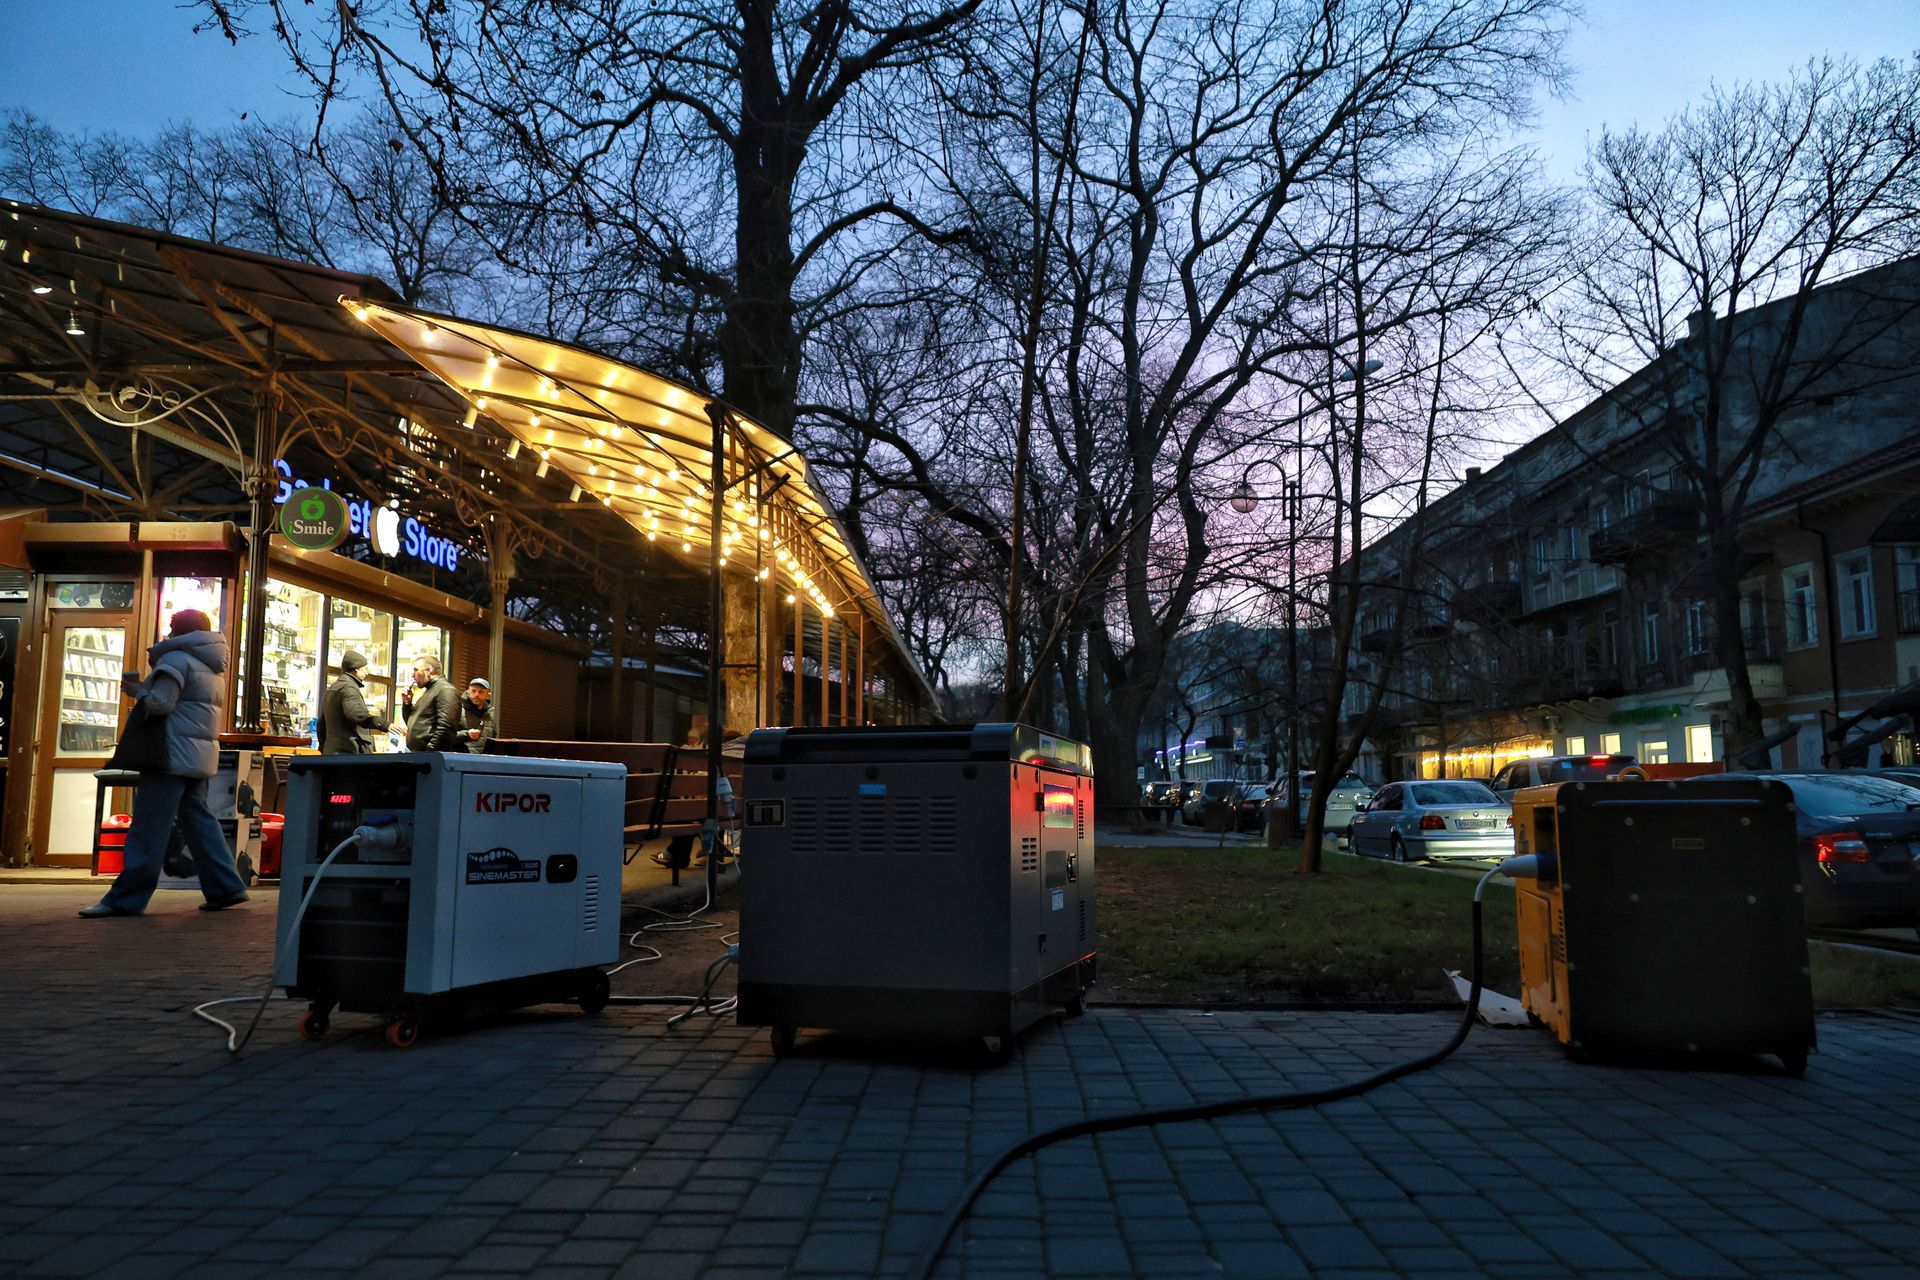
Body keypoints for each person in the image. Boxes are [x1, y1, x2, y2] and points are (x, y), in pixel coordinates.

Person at [80, 609, 251, 917]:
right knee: (200, 823)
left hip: (169, 754)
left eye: (172, 627)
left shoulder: (175, 659)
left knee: (149, 827)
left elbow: (160, 703)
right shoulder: (213, 666)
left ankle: (125, 898)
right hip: (198, 757)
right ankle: (226, 885)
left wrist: (139, 690)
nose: (167, 631)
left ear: (179, 630)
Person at [319, 649, 387, 754]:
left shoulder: (334, 688)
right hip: (348, 752)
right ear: (356, 669)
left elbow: (321, 724)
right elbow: (356, 714)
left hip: (332, 752)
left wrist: (325, 748)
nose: (367, 673)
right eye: (365, 669)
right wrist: (382, 724)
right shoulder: (348, 688)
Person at [400, 654, 460, 752]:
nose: (412, 674)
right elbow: (413, 725)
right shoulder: (429, 691)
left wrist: (430, 753)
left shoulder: (446, 690)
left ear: (429, 670)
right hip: (419, 756)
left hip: (428, 758)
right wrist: (407, 704)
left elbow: (445, 728)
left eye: (416, 670)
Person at [458, 677, 497, 753]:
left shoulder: (489, 714)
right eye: (473, 691)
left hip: (484, 762)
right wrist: (466, 734)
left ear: (488, 695)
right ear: (468, 692)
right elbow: (446, 738)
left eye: (481, 692)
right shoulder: (458, 710)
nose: (476, 695)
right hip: (462, 760)